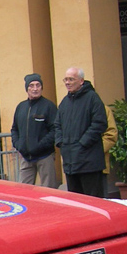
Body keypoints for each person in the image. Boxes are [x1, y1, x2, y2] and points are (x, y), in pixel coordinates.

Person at [54, 66, 108, 197]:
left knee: (93, 200)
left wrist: (82, 143)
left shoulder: (92, 98)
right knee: (76, 200)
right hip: (70, 162)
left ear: (81, 81)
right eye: (65, 79)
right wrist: (61, 142)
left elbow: (99, 124)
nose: (67, 82)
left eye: (71, 79)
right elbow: (57, 124)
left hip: (89, 162)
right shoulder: (65, 102)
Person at [11, 73, 58, 188]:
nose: (35, 89)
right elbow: (14, 129)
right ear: (27, 89)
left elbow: (55, 130)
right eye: (31, 86)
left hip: (44, 156)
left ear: (42, 87)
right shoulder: (21, 107)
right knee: (23, 191)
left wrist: (40, 145)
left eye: (38, 85)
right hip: (26, 157)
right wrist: (18, 145)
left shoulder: (49, 106)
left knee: (49, 190)